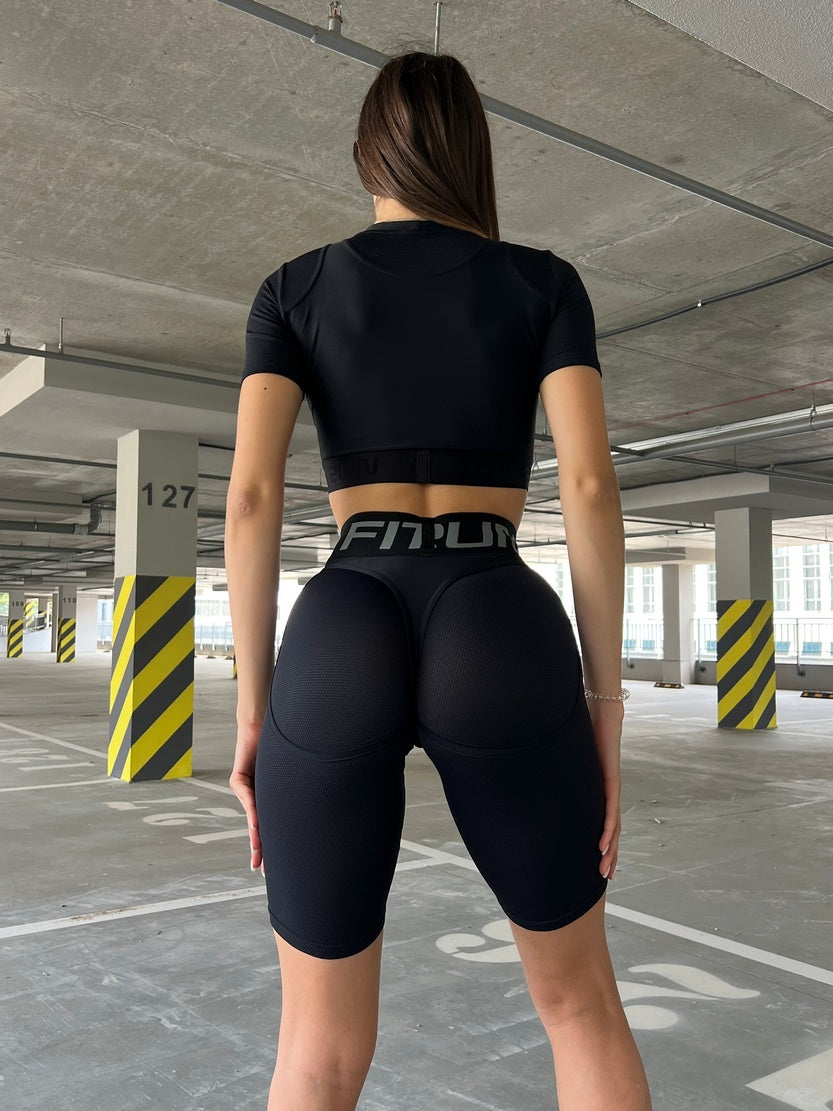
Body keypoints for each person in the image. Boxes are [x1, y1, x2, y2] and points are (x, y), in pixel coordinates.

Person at [225, 49, 652, 1111]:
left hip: (344, 615)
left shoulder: (292, 289)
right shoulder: (543, 283)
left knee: (315, 1051)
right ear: (472, 149)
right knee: (579, 1007)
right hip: (492, 609)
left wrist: (254, 709)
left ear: (365, 152)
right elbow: (589, 487)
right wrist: (603, 705)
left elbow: (251, 499)